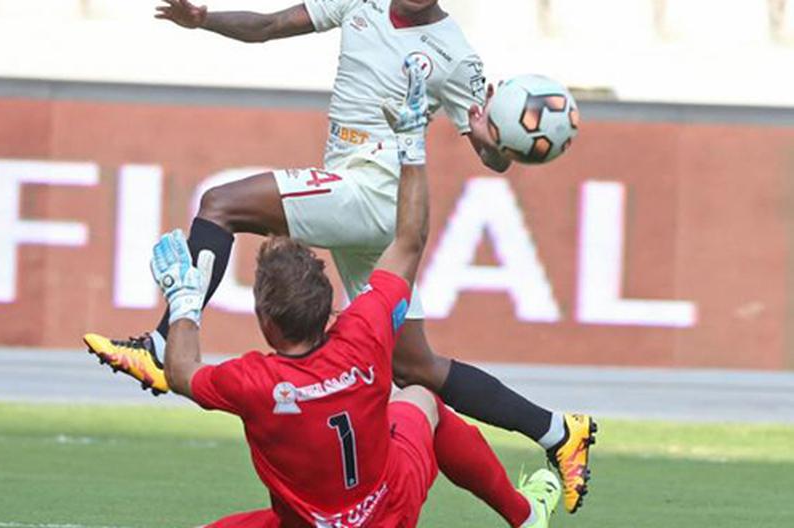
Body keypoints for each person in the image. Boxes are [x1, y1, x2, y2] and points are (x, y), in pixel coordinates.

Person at [85, 0, 594, 514]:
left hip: (374, 190)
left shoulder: (456, 56)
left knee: (221, 205)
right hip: (361, 194)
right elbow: (266, 28)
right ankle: (555, 431)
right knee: (415, 367)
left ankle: (160, 342)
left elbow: (492, 156)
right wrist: (203, 19)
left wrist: (492, 136)